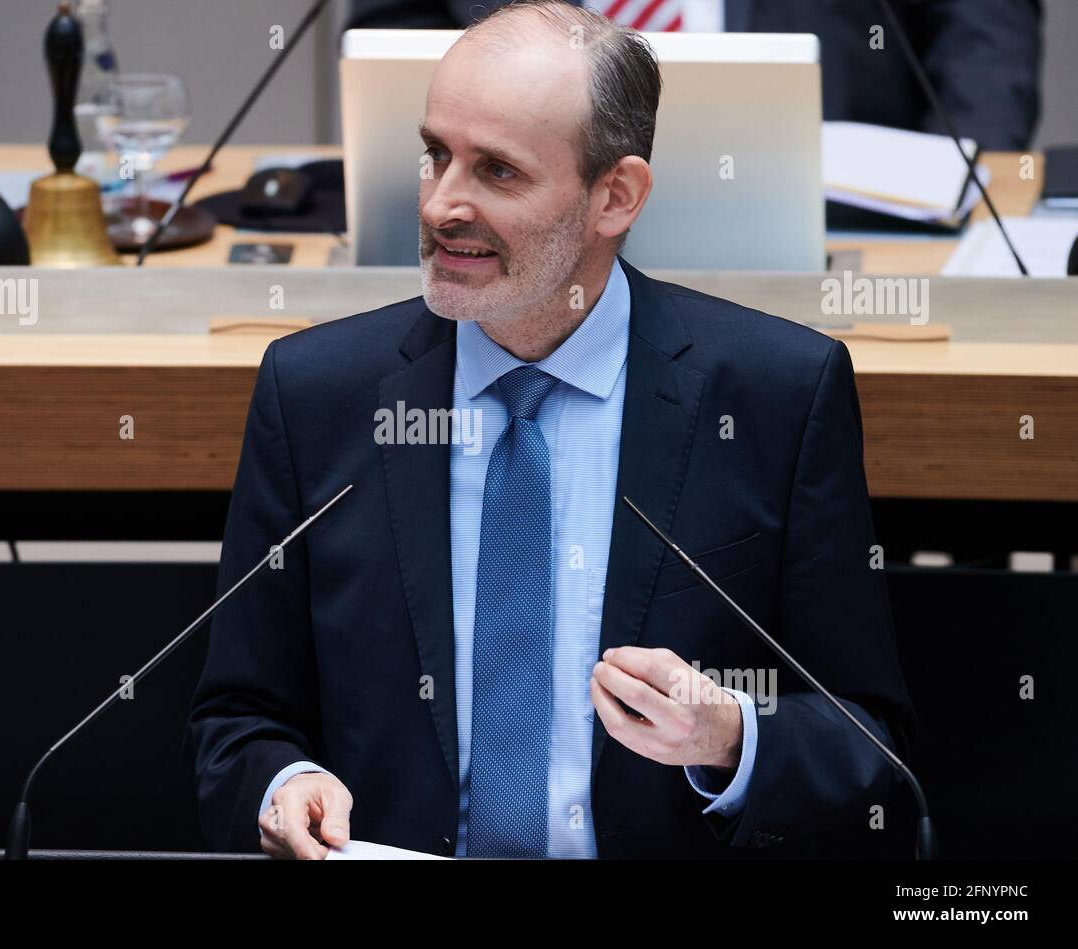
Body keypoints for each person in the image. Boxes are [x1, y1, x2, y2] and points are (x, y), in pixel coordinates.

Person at [188, 0, 914, 859]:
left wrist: (730, 736)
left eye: (497, 171)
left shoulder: (774, 395)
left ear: (617, 196)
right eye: (435, 156)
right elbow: (238, 720)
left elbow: (872, 752)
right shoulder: (317, 395)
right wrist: (282, 782)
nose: (442, 205)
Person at [348, 0, 1042, 151]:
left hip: (845, 234)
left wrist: (970, 178)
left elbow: (984, 26)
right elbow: (396, 32)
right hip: (516, 234)